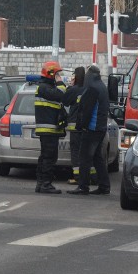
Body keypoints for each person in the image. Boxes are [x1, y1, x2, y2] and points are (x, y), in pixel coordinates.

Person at [68, 64, 110, 195]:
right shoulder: (102, 86)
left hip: (92, 128)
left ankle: (83, 186)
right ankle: (104, 186)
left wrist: (82, 126)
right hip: (100, 128)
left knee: (84, 157)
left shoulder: (92, 88)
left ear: (90, 75)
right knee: (98, 158)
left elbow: (86, 110)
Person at [34, 60, 66, 194]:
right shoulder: (44, 88)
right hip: (48, 129)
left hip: (48, 129)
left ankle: (41, 184)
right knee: (49, 158)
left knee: (45, 157)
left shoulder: (45, 87)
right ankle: (45, 184)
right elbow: (61, 94)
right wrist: (60, 82)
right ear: (51, 73)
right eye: (57, 73)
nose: (59, 76)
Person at [62, 66, 97, 185]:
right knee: (87, 153)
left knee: (76, 152)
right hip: (87, 127)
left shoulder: (74, 89)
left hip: (75, 128)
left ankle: (77, 177)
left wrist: (71, 86)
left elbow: (65, 101)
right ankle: (92, 176)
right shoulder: (88, 89)